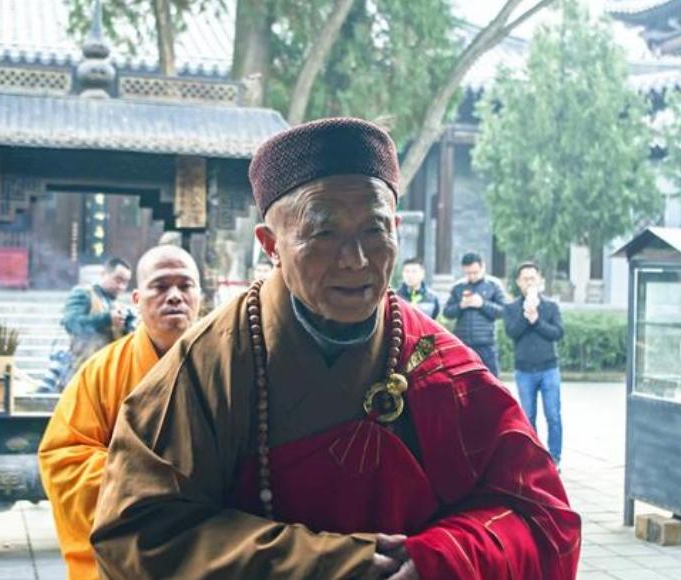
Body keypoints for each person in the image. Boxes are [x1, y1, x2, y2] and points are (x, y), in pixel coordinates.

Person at [91, 118, 580, 579]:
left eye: (375, 230)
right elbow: (134, 533)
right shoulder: (208, 367)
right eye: (323, 232)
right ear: (270, 244)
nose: (356, 259)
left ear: (396, 230)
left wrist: (441, 558)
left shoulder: (439, 365)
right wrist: (334, 565)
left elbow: (543, 518)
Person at [38, 246, 202, 580]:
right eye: (160, 286)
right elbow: (64, 458)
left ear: (201, 296)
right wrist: (152, 488)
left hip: (208, 541)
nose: (174, 296)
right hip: (127, 550)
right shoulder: (101, 371)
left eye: (185, 286)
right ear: (137, 300)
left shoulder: (231, 364)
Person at [504, 262, 565, 469]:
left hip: (549, 368)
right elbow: (512, 332)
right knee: (528, 417)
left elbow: (557, 333)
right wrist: (525, 314)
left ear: (540, 281)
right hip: (524, 371)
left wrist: (537, 320)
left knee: (553, 415)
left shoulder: (551, 306)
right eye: (525, 279)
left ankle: (554, 458)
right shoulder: (511, 308)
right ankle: (534, 459)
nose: (529, 282)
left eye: (533, 278)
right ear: (518, 282)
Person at [61, 257, 135, 378]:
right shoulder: (84, 293)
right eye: (118, 279)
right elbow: (71, 322)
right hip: (83, 368)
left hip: (108, 371)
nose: (121, 287)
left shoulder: (119, 306)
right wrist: (107, 319)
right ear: (104, 274)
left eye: (125, 282)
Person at [444, 252, 506, 376]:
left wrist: (482, 304)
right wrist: (460, 306)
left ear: (483, 267)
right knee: (463, 381)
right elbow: (447, 312)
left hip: (486, 344)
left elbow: (503, 311)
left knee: (490, 382)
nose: (472, 276)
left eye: (475, 272)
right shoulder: (458, 287)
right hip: (463, 344)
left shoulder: (494, 285)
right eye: (468, 273)